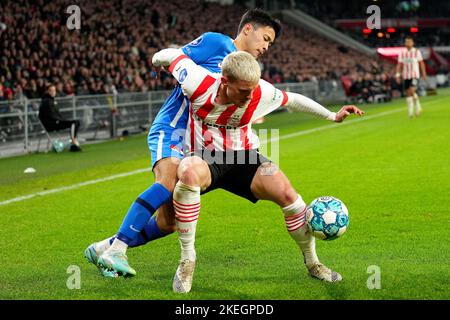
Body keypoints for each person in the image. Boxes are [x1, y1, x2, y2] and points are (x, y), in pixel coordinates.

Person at [101, 49, 364, 293]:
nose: (250, 96)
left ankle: (314, 263)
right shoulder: (197, 82)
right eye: (243, 91)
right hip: (204, 158)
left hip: (246, 156)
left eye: (252, 89)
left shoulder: (261, 92)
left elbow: (293, 100)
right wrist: (156, 61)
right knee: (188, 172)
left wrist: (332, 116)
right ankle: (187, 260)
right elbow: (171, 55)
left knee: (289, 196)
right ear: (224, 81)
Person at [84, 9, 282, 277]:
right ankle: (116, 250)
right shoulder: (216, 43)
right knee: (166, 182)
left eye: (270, 43)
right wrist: (169, 67)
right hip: (173, 128)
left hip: (196, 142)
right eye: (265, 38)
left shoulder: (244, 72)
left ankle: (100, 248)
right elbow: (176, 58)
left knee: (168, 223)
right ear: (248, 29)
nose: (266, 47)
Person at [38, 84, 82, 152]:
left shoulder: (51, 100)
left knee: (76, 122)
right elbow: (50, 115)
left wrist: (61, 120)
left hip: (55, 122)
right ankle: (73, 143)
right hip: (51, 124)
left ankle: (73, 142)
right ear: (47, 91)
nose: (53, 92)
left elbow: (55, 114)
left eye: (54, 91)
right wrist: (60, 120)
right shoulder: (46, 101)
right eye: (51, 91)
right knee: (74, 123)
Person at [395, 36, 427, 118]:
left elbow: (421, 63)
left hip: (414, 75)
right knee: (408, 93)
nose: (408, 43)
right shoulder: (402, 53)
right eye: (406, 42)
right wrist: (398, 75)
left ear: (412, 43)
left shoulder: (416, 52)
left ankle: (417, 108)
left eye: (409, 42)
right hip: (406, 75)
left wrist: (423, 73)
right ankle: (411, 112)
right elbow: (399, 64)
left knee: (412, 90)